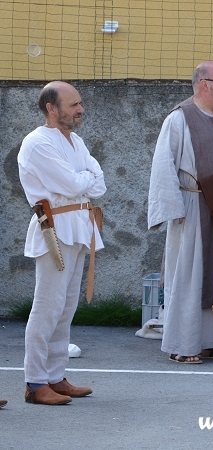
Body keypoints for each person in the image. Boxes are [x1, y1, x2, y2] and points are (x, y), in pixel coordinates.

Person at [148, 61, 213, 364]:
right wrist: (173, 206)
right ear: (205, 84)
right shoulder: (180, 118)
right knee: (190, 273)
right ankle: (184, 345)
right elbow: (163, 162)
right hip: (192, 206)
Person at [18, 81, 106, 405]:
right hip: (54, 228)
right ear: (52, 109)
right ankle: (35, 382)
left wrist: (82, 178)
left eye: (80, 103)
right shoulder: (37, 143)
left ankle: (55, 376)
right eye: (73, 105)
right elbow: (73, 182)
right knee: (47, 307)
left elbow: (99, 181)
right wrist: (83, 178)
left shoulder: (75, 141)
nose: (80, 109)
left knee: (66, 307)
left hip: (79, 226)